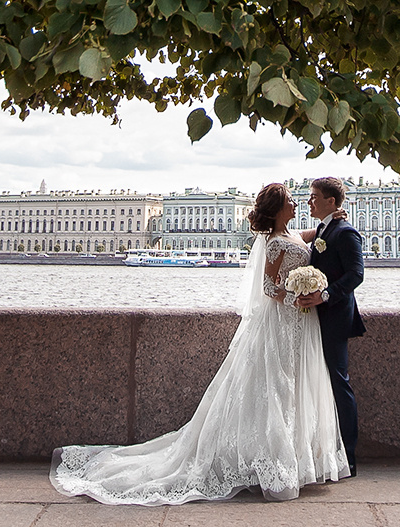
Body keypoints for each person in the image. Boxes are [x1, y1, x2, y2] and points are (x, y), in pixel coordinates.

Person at [50, 183, 349, 505]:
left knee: (290, 388)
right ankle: (272, 465)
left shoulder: (291, 236)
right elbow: (266, 286)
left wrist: (330, 220)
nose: (297, 204)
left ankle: (290, 459)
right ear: (277, 209)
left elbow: (309, 237)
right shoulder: (274, 243)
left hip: (298, 327)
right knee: (275, 388)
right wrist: (297, 299)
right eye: (290, 201)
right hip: (281, 322)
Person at [294, 175, 364, 474]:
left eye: (314, 196)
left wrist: (324, 295)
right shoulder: (325, 228)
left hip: (334, 316)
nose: (309, 201)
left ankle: (348, 454)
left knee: (338, 382)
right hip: (317, 317)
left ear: (331, 201)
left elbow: (356, 275)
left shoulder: (346, 232)